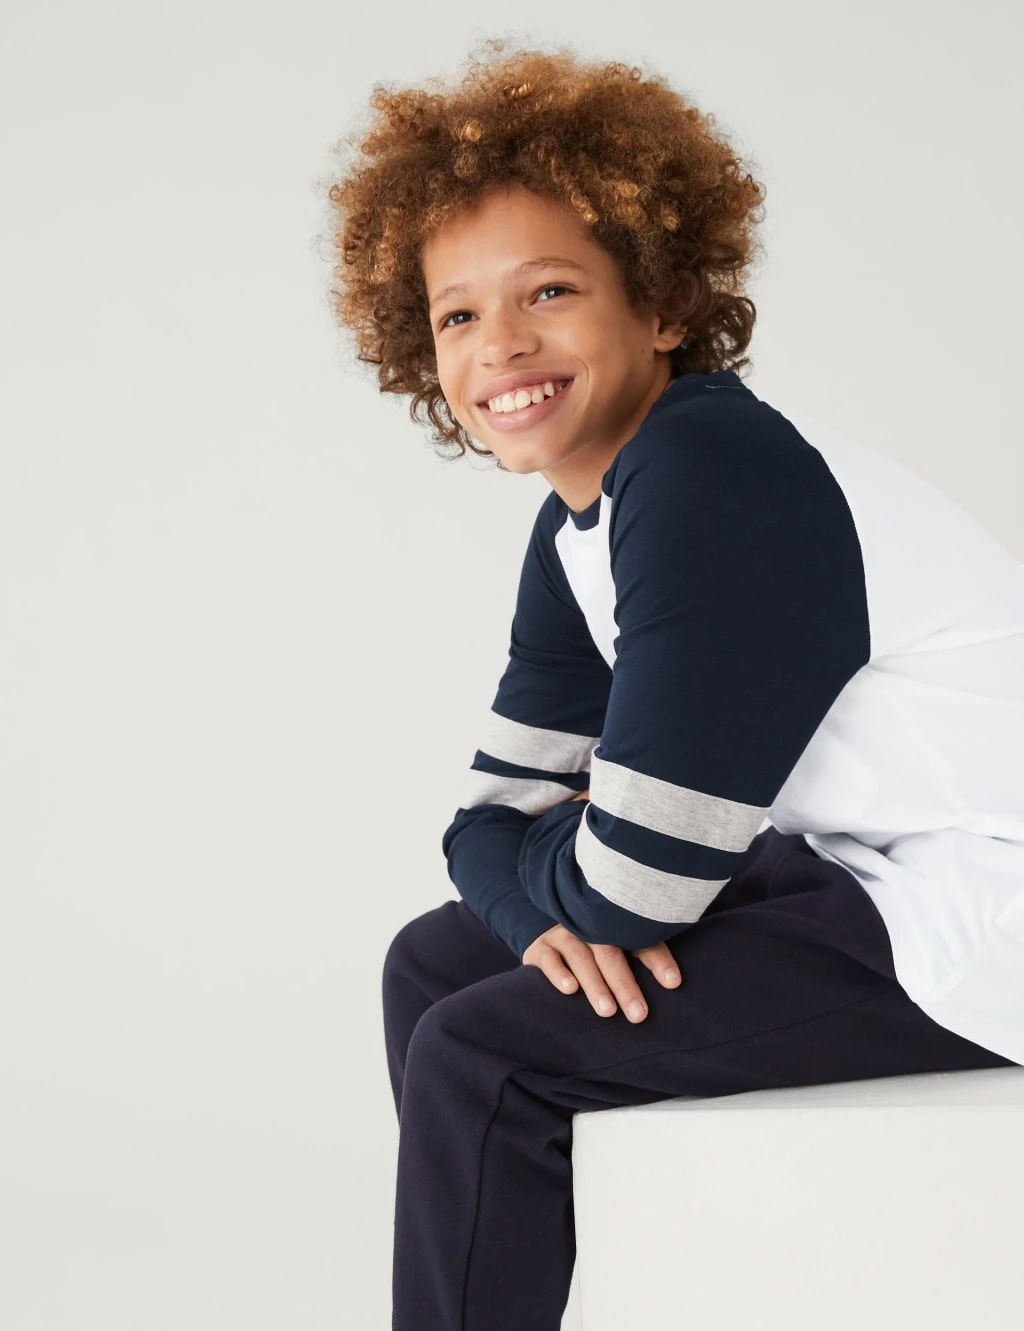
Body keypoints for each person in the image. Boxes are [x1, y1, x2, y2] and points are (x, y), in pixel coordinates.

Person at [323, 39, 1024, 1331]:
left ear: (661, 307)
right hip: (863, 870)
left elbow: (635, 887)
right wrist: (552, 874)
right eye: (458, 315)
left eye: (549, 290)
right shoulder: (581, 519)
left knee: (485, 1051)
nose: (501, 345)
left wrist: (568, 867)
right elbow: (488, 819)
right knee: (433, 966)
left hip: (984, 906)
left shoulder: (711, 479)